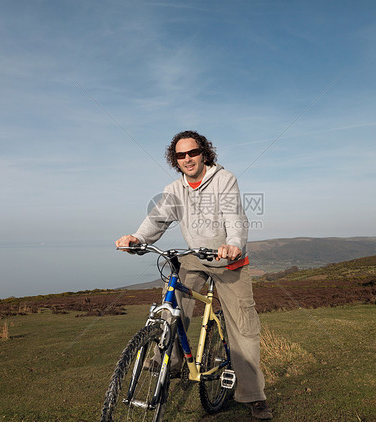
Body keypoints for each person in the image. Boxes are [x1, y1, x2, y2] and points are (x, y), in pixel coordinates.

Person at [116, 130, 273, 420]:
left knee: (243, 327)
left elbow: (235, 216)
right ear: (175, 160)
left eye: (192, 152)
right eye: (180, 155)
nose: (187, 159)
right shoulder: (175, 189)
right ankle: (170, 361)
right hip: (196, 257)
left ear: (204, 153)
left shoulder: (224, 180)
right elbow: (157, 219)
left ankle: (253, 396)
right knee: (171, 304)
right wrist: (137, 238)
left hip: (228, 261)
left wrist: (234, 245)